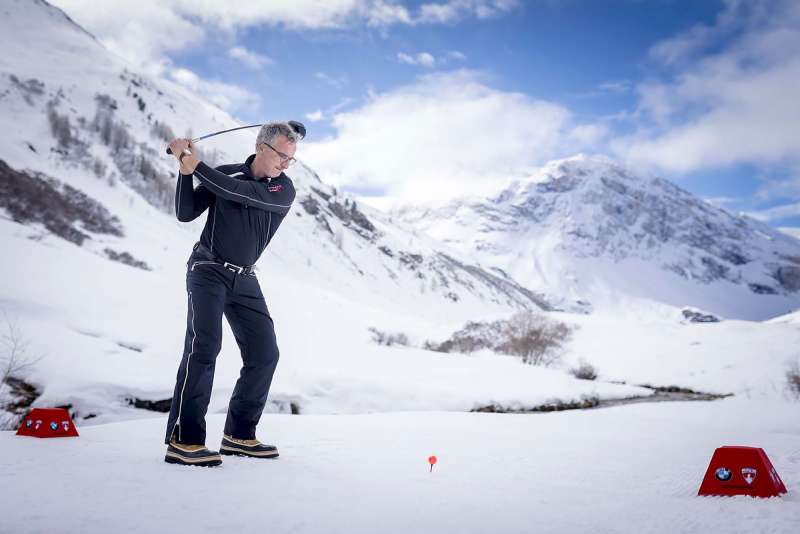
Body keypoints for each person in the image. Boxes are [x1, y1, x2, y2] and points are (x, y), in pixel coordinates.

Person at [162, 121, 303, 467]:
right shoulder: (226, 173)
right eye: (282, 156)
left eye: (291, 159)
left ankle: (239, 435)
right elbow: (185, 213)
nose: (285, 164)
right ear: (261, 146)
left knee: (265, 353)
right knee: (204, 347)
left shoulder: (281, 190)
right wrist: (184, 171)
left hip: (245, 279)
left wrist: (194, 163)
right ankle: (185, 440)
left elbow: (236, 193)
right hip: (206, 270)